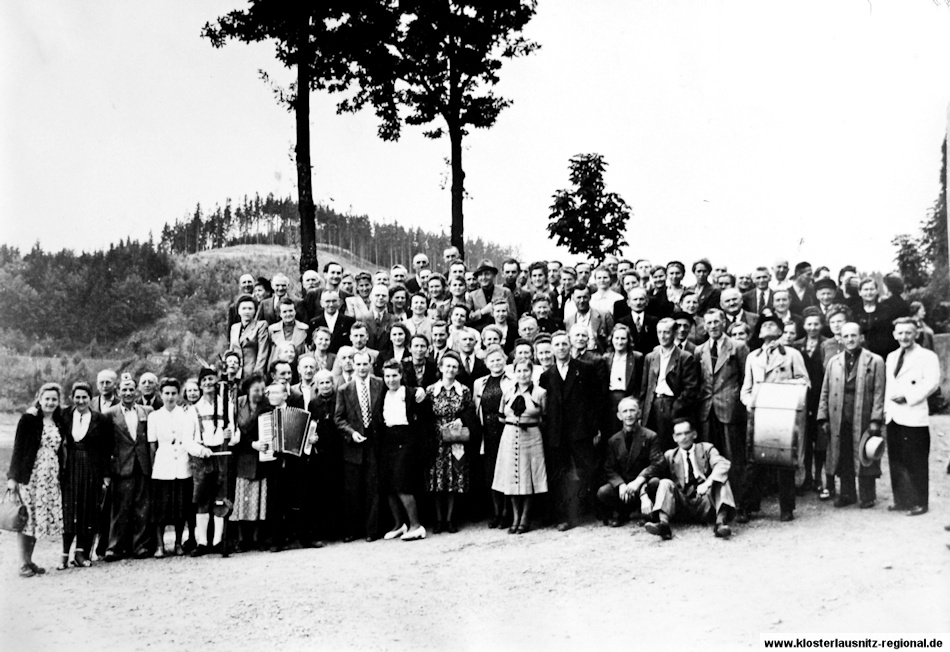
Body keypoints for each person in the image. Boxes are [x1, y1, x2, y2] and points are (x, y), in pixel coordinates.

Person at [740, 315, 809, 522]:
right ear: (758, 333)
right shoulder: (753, 357)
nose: (767, 327)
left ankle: (786, 508)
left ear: (780, 331)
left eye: (772, 324)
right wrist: (750, 402)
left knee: (784, 462)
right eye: (763, 325)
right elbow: (746, 388)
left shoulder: (791, 354)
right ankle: (747, 507)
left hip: (783, 416)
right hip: (759, 415)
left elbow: (804, 381)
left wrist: (784, 391)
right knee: (754, 461)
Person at [539, 331, 606, 531]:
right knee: (559, 475)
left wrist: (595, 428)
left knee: (589, 470)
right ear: (552, 348)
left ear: (570, 346)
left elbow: (596, 400)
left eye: (564, 344)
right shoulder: (546, 376)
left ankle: (600, 511)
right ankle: (564, 516)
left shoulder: (585, 369)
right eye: (557, 345)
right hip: (557, 433)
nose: (561, 348)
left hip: (581, 430)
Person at [817, 323, 886, 509]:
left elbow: (880, 392)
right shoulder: (834, 361)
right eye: (846, 336)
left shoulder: (875, 361)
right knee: (844, 455)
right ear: (840, 338)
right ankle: (847, 494)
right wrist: (823, 417)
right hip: (839, 416)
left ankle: (867, 495)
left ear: (861, 337)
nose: (850, 339)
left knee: (865, 453)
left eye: (854, 335)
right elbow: (825, 390)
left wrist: (875, 419)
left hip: (863, 415)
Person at [694, 308, 750, 521]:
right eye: (709, 323)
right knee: (710, 459)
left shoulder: (738, 347)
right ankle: (713, 505)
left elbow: (746, 378)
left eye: (717, 322)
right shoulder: (700, 350)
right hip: (707, 410)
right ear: (704, 326)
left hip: (730, 409)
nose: (713, 326)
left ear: (724, 322)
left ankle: (740, 505)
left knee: (734, 458)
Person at [7, 383, 67, 577]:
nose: (50, 402)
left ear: (59, 402)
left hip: (50, 477)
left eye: (54, 399)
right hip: (31, 475)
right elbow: (18, 449)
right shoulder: (29, 419)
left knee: (37, 520)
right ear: (39, 399)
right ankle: (22, 563)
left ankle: (29, 560)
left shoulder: (59, 421)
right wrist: (12, 478)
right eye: (46, 399)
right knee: (26, 518)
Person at [643, 418, 737, 540]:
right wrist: (643, 496)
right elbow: (651, 473)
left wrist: (708, 482)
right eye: (679, 434)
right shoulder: (670, 455)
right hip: (682, 504)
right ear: (674, 438)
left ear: (694, 434)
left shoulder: (707, 449)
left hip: (705, 501)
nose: (684, 437)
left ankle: (720, 524)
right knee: (665, 483)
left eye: (687, 433)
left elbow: (722, 464)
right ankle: (663, 525)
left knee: (721, 480)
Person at [884, 318, 940, 516]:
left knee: (915, 461)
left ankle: (919, 502)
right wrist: (886, 410)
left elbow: (932, 383)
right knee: (896, 460)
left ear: (916, 334)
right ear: (894, 335)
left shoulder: (927, 356)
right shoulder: (891, 357)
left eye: (908, 333)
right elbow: (888, 386)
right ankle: (902, 500)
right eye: (900, 333)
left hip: (913, 414)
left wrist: (908, 397)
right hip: (894, 416)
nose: (904, 337)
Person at [185, 368, 239, 557]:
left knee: (220, 499)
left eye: (211, 379)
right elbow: (187, 440)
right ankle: (202, 542)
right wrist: (201, 450)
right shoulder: (193, 410)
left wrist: (230, 436)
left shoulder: (227, 406)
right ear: (200, 385)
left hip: (222, 455)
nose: (208, 383)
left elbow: (236, 432)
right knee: (202, 500)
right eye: (205, 380)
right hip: (203, 457)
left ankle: (217, 541)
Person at [60, 381, 112, 568]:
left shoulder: (100, 419)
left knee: (88, 509)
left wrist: (106, 475)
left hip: (92, 467)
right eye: (77, 397)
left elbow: (106, 450)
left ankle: (81, 553)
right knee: (70, 509)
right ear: (72, 398)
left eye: (84, 397)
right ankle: (64, 554)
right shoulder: (64, 415)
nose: (81, 401)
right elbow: (43, 410)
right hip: (71, 466)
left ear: (91, 399)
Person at [493, 359, 548, 534]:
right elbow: (501, 416)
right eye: (519, 371)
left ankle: (525, 518)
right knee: (511, 478)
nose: (523, 374)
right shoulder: (508, 392)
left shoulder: (540, 393)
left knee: (528, 478)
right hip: (509, 436)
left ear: (531, 373)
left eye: (526, 371)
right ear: (514, 373)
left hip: (532, 437)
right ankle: (515, 518)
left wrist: (528, 422)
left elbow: (545, 417)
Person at [425, 351, 478, 533]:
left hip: (456, 440)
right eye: (447, 366)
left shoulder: (463, 390)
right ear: (440, 368)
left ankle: (450, 519)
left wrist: (461, 420)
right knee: (437, 480)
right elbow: (426, 415)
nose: (451, 369)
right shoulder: (431, 390)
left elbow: (470, 412)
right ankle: (438, 520)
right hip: (437, 440)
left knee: (455, 480)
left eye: (454, 366)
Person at [334, 351, 383, 542]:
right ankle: (351, 530)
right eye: (358, 364)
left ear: (370, 365)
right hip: (354, 443)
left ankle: (372, 530)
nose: (362, 368)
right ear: (352, 366)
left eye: (365, 364)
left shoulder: (380, 384)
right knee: (352, 490)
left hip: (374, 441)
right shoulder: (344, 389)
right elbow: (338, 418)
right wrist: (351, 433)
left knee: (373, 487)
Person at [375, 360, 427, 542]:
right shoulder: (382, 394)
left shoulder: (412, 393)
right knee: (388, 485)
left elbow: (422, 419)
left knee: (402, 483)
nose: (391, 379)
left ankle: (416, 525)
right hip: (388, 440)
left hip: (407, 440)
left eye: (394, 375)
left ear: (401, 375)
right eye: (387, 376)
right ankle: (399, 524)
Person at [105, 377, 153, 561]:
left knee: (142, 507)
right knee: (120, 508)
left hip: (142, 464)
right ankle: (116, 547)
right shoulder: (110, 413)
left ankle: (140, 546)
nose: (128, 393)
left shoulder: (147, 411)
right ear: (118, 392)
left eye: (131, 389)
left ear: (137, 392)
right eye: (124, 390)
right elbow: (107, 444)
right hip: (121, 466)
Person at [596, 397, 663, 527]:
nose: (629, 414)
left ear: (639, 413)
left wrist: (639, 481)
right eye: (625, 411)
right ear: (619, 416)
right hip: (625, 487)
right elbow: (609, 468)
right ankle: (623, 513)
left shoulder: (650, 436)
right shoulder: (613, 441)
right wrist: (620, 484)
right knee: (603, 492)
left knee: (656, 483)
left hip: (644, 483)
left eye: (632, 410)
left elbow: (657, 463)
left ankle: (648, 514)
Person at [147, 378, 195, 557]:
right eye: (166, 393)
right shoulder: (154, 416)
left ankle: (177, 543)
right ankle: (160, 545)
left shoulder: (185, 414)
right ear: (161, 394)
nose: (170, 397)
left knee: (180, 508)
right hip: (163, 465)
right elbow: (152, 446)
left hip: (182, 465)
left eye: (173, 393)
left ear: (178, 394)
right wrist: (155, 468)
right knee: (160, 509)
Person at [640, 318, 700, 451]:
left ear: (674, 333)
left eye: (666, 332)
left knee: (668, 444)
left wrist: (675, 409)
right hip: (653, 404)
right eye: (659, 332)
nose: (662, 336)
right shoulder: (651, 357)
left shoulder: (685, 357)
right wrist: (642, 411)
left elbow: (690, 389)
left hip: (672, 405)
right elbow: (645, 388)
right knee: (652, 444)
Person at [793, 307, 833, 498]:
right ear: (803, 325)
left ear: (822, 324)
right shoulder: (796, 345)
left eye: (816, 323)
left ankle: (819, 478)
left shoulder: (827, 344)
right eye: (809, 324)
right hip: (803, 398)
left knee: (821, 441)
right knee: (805, 439)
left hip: (821, 396)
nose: (812, 327)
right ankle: (806, 477)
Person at [473, 345, 514, 528]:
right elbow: (476, 408)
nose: (496, 363)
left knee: (507, 472)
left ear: (505, 360)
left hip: (505, 430)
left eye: (499, 359)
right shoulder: (479, 383)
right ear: (486, 363)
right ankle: (496, 512)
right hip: (487, 433)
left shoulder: (512, 381)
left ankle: (507, 512)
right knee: (491, 474)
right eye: (492, 360)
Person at [230, 373, 269, 551]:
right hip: (244, 455)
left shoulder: (267, 405)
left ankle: (258, 538)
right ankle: (243, 539)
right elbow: (234, 430)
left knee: (260, 498)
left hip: (262, 456)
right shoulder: (238, 404)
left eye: (262, 389)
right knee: (244, 498)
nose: (259, 393)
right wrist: (251, 443)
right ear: (247, 389)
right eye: (255, 390)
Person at [603, 324, 645, 433]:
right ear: (611, 339)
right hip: (611, 401)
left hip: (629, 399)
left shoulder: (637, 357)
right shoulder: (606, 358)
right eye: (616, 338)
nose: (619, 342)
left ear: (628, 340)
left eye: (623, 338)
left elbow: (641, 384)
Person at [855, 278, 897, 359]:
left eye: (872, 289)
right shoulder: (855, 311)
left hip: (883, 353)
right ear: (860, 292)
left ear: (877, 291)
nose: (869, 292)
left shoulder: (886, 310)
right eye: (866, 289)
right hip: (860, 354)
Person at [230, 294, 270, 379]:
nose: (247, 311)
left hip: (252, 371)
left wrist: (257, 373)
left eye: (250, 308)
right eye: (244, 308)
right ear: (238, 311)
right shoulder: (234, 327)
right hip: (236, 372)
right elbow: (231, 351)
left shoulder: (260, 325)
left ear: (255, 311)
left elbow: (263, 352)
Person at [565, 284, 613, 353]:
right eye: (578, 297)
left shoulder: (604, 316)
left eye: (585, 297)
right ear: (573, 298)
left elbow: (611, 340)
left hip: (598, 356)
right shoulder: (568, 321)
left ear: (590, 297)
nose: (582, 301)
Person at [266, 298, 310, 370]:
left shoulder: (304, 328)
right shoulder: (272, 330)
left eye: (290, 311)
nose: (288, 314)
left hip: (298, 367)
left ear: (295, 312)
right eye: (284, 312)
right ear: (280, 314)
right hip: (278, 368)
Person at [310, 289, 356, 355]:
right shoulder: (314, 322)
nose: (331, 304)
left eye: (334, 301)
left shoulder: (349, 321)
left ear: (339, 302)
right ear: (321, 303)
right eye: (327, 301)